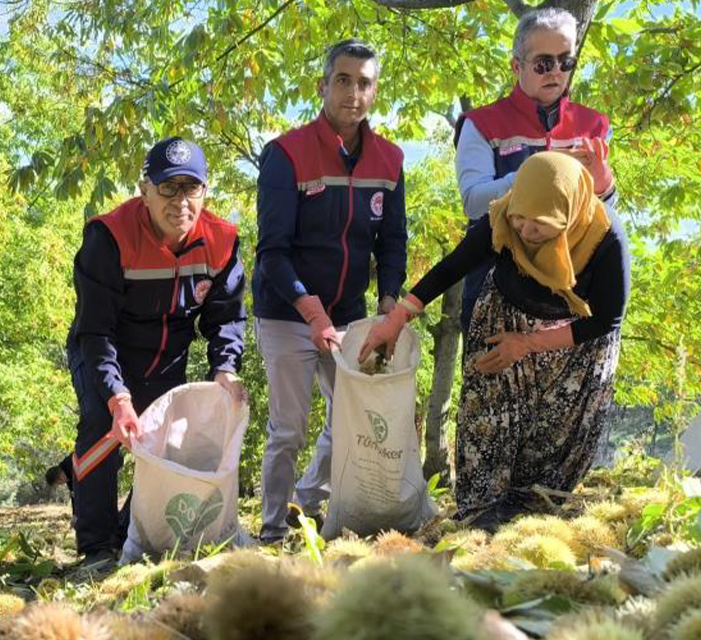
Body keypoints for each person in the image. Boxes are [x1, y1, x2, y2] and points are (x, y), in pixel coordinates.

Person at [360, 152, 629, 531]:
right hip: (505, 318)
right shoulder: (504, 218)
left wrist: (529, 343)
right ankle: (480, 518)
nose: (525, 231)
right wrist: (398, 318)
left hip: (573, 344)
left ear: (568, 217)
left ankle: (533, 524)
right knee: (485, 417)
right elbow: (453, 266)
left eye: (541, 225)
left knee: (550, 439)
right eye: (520, 218)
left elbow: (607, 318)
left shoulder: (605, 239)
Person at [253, 39, 408, 542]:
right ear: (323, 86)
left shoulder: (390, 160)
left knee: (352, 418)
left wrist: (388, 304)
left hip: (349, 314)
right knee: (289, 428)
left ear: (375, 91)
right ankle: (274, 527)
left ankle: (308, 504)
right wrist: (311, 313)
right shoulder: (285, 154)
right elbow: (272, 252)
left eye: (364, 83)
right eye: (343, 80)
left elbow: (393, 243)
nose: (353, 93)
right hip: (286, 312)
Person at [67, 136, 246, 568]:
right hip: (103, 351)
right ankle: (94, 547)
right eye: (168, 188)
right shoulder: (107, 237)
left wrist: (226, 368)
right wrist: (118, 397)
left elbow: (225, 317)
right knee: (103, 430)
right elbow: (96, 330)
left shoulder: (222, 240)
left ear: (205, 191)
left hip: (168, 357)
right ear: (144, 189)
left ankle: (128, 531)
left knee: (163, 441)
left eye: (191, 188)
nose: (180, 202)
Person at [454, 7, 616, 330]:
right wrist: (540, 172)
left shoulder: (594, 125)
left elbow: (605, 216)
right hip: (494, 290)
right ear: (517, 66)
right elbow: (473, 202)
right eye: (543, 64)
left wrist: (604, 185)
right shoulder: (480, 124)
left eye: (565, 62)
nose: (555, 72)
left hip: (569, 296)